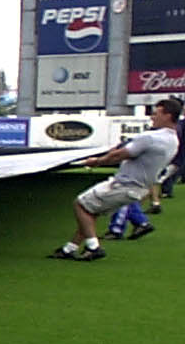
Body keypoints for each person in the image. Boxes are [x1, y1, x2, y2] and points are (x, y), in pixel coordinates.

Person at [51, 97, 181, 262]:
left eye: (156, 113)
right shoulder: (173, 140)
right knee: (91, 211)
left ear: (168, 116)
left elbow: (120, 155)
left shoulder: (151, 137)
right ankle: (69, 248)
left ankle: (93, 247)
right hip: (139, 189)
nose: (152, 117)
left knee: (80, 204)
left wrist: (96, 162)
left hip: (124, 185)